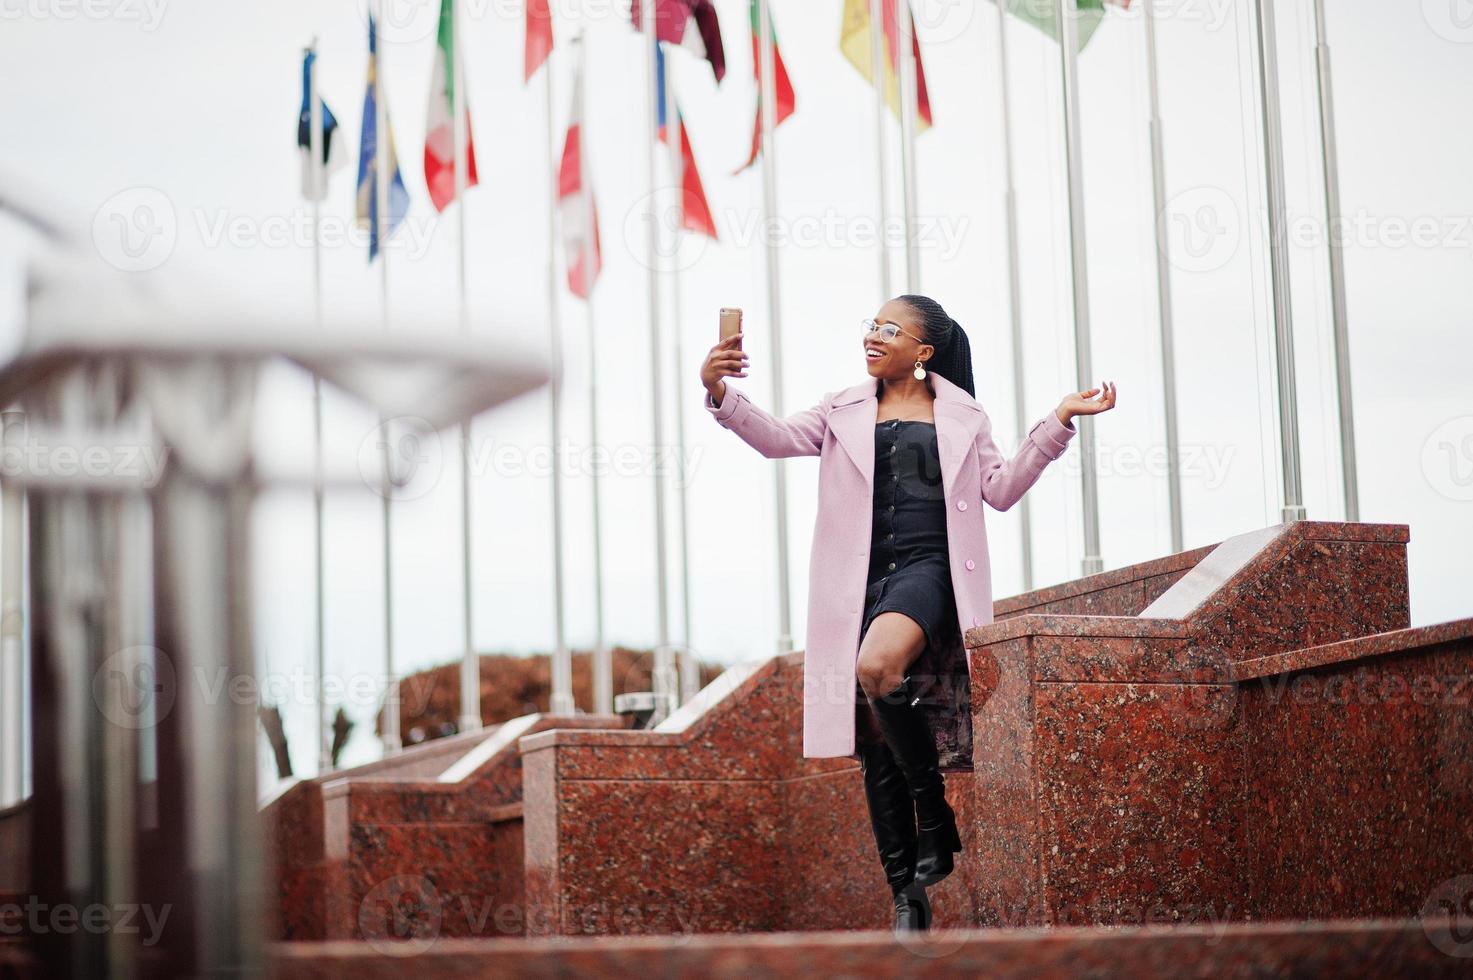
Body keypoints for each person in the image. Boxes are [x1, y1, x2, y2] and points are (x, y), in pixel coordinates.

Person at [700, 294, 1116, 933]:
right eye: (871, 324)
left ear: (923, 352)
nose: (874, 335)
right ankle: (907, 894)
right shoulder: (841, 408)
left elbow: (1000, 490)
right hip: (856, 581)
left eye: (890, 329)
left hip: (929, 573)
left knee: (876, 665)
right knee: (875, 746)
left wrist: (1057, 421)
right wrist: (719, 389)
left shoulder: (962, 415)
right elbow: (777, 439)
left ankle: (934, 805)